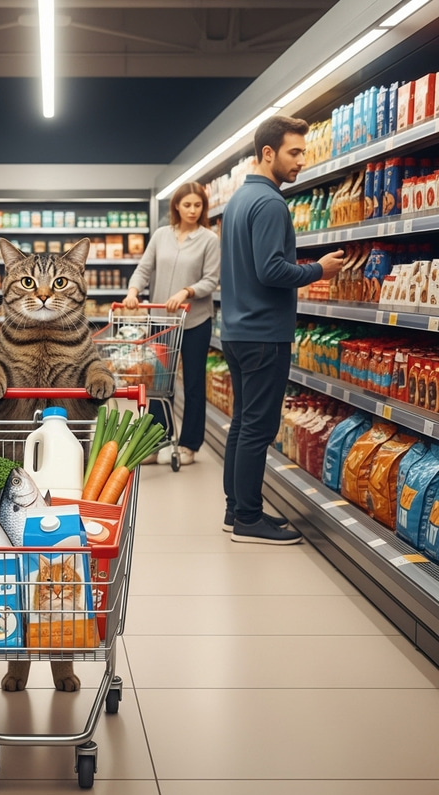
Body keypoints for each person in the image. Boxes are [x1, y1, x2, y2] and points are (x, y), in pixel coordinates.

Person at [220, 115, 344, 545]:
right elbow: (271, 269)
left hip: (237, 331)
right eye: (294, 152)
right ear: (268, 153)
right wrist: (319, 268)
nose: (301, 162)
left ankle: (236, 509)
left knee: (242, 423)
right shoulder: (271, 203)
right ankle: (248, 520)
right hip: (263, 333)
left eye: (303, 153)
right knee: (258, 426)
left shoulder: (238, 201)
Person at [122, 181, 219, 466]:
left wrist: (187, 291)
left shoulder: (209, 240)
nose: (192, 210)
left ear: (203, 208)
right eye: (187, 204)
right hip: (162, 322)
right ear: (176, 206)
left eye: (197, 205)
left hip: (195, 322)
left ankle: (189, 444)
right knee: (158, 385)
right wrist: (133, 291)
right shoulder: (161, 235)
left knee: (193, 384)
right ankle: (155, 443)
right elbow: (144, 268)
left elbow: (211, 280)